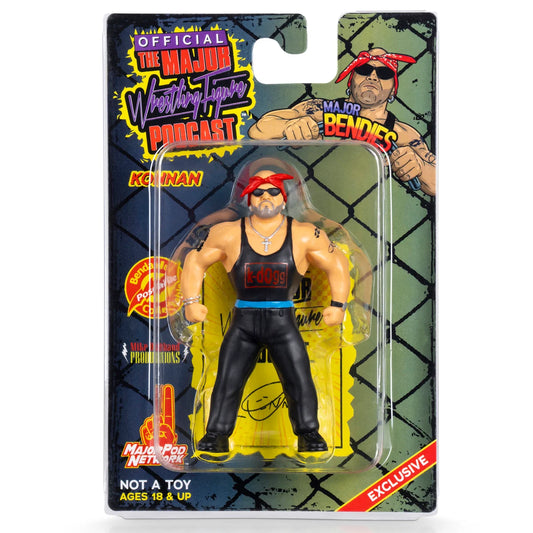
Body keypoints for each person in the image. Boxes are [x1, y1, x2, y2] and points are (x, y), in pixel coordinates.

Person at [180, 170, 351, 453]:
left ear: (283, 198)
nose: (265, 197)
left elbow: (337, 263)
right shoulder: (228, 233)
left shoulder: (303, 234)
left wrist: (338, 305)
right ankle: (216, 434)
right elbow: (195, 260)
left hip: (282, 321)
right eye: (258, 192)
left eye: (273, 191)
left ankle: (309, 433)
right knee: (228, 378)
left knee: (299, 377)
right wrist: (190, 302)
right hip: (243, 321)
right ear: (248, 199)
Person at [248, 48, 436, 196]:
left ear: (393, 89)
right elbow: (258, 130)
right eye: (364, 70)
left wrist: (419, 167)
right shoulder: (318, 110)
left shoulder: (404, 135)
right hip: (307, 197)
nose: (372, 77)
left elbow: (437, 184)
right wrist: (290, 128)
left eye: (384, 74)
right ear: (351, 81)